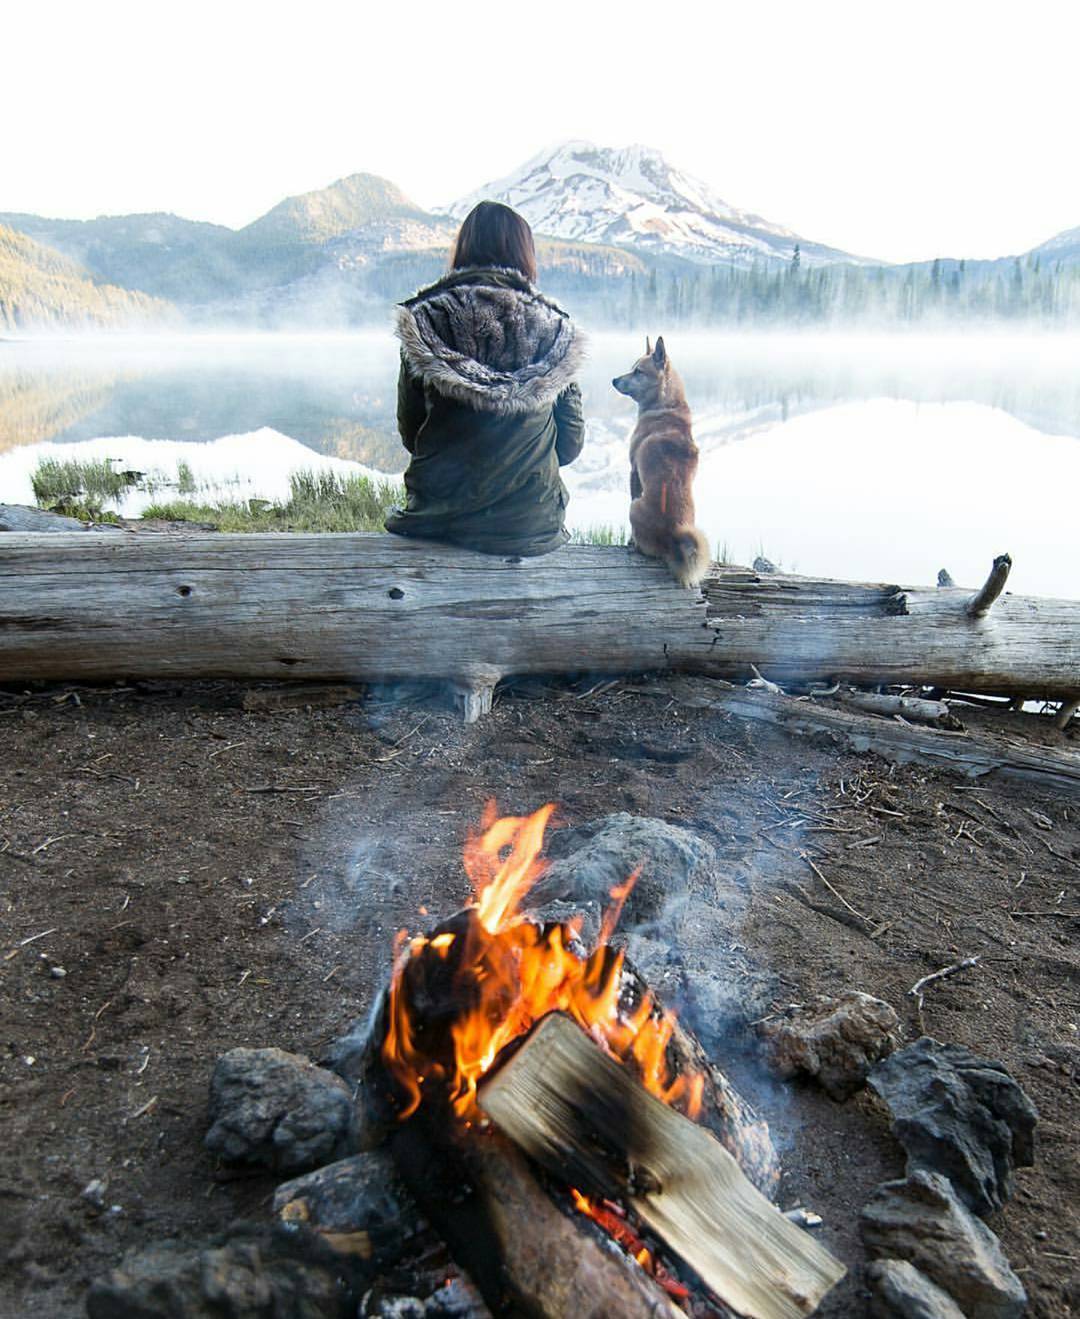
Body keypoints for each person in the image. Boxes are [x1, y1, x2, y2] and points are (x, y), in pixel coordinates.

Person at [385, 201, 586, 556]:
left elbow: (411, 434)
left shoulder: (424, 319)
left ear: (463, 249)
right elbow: (569, 446)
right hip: (529, 528)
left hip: (436, 521)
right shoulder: (555, 330)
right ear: (525, 255)